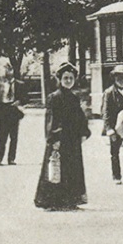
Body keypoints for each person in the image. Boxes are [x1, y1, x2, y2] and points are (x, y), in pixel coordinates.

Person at [34, 62, 91, 210]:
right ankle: (53, 202)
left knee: (72, 169)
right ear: (60, 79)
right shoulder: (54, 97)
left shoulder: (74, 98)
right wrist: (54, 138)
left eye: (71, 78)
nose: (68, 81)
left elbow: (80, 118)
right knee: (56, 168)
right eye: (65, 78)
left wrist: (84, 132)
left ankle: (70, 200)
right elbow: (52, 120)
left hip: (72, 140)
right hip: (59, 140)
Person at [0, 62, 24, 165]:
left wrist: (19, 102)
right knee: (2, 136)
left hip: (14, 110)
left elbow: (25, 97)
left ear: (12, 71)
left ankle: (11, 158)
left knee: (14, 136)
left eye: (9, 70)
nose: (7, 73)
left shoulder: (19, 84)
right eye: (5, 70)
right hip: (3, 110)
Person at [101, 65, 123, 184]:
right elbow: (105, 112)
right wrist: (109, 129)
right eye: (119, 76)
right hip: (114, 127)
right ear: (114, 78)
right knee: (115, 153)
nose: (121, 79)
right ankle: (116, 176)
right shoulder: (109, 93)